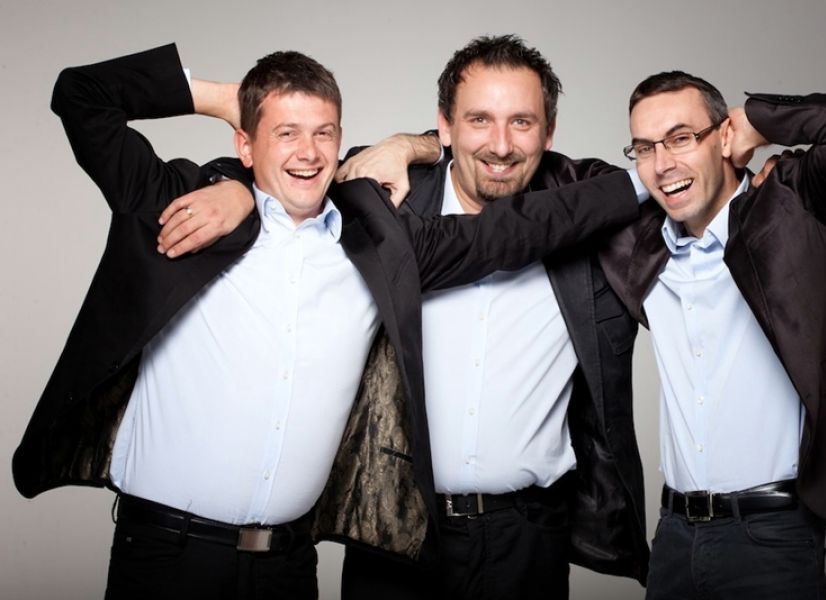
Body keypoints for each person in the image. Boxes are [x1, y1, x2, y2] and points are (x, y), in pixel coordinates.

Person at [11, 43, 643, 599]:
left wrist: (652, 176)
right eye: (285, 132)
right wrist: (228, 100)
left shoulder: (379, 243)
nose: (308, 153)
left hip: (289, 566)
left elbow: (519, 228)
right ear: (244, 142)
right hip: (167, 553)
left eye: (324, 133)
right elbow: (81, 95)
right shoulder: (185, 205)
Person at [598, 71, 826, 598]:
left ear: (723, 137)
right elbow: (536, 175)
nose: (662, 164)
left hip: (772, 539)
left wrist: (758, 121)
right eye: (644, 148)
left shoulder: (794, 207)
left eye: (681, 138)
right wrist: (435, 149)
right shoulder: (637, 242)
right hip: (673, 537)